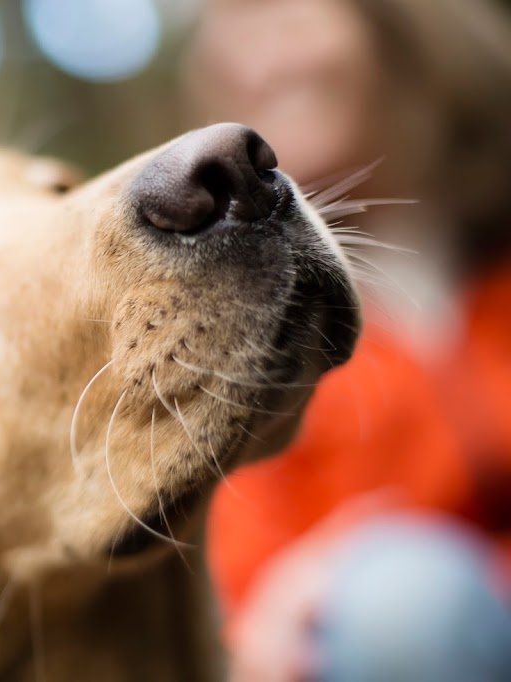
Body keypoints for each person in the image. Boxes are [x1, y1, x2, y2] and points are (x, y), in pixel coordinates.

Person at [182, 0, 511, 678]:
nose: (260, 62)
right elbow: (247, 586)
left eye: (282, 16)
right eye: (230, 34)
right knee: (402, 608)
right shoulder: (241, 332)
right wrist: (272, 613)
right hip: (389, 641)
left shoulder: (491, 263)